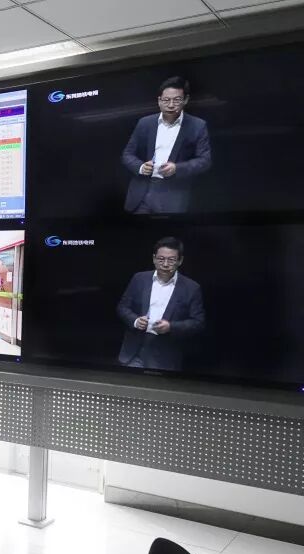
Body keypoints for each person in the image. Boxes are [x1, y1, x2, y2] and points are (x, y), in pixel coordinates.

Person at [122, 76, 212, 214]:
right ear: (159, 101)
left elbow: (205, 161)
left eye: (176, 100)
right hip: (143, 192)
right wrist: (140, 167)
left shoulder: (197, 126)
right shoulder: (145, 123)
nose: (171, 105)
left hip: (174, 194)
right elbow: (127, 154)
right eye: (166, 100)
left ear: (185, 100)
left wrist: (177, 168)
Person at [116, 237, 205, 371]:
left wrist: (170, 326)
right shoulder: (139, 279)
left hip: (164, 354)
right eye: (161, 259)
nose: (165, 264)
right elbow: (122, 307)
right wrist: (135, 321)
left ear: (180, 261)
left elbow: (198, 322)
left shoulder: (191, 288)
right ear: (154, 258)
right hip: (134, 349)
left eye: (171, 260)